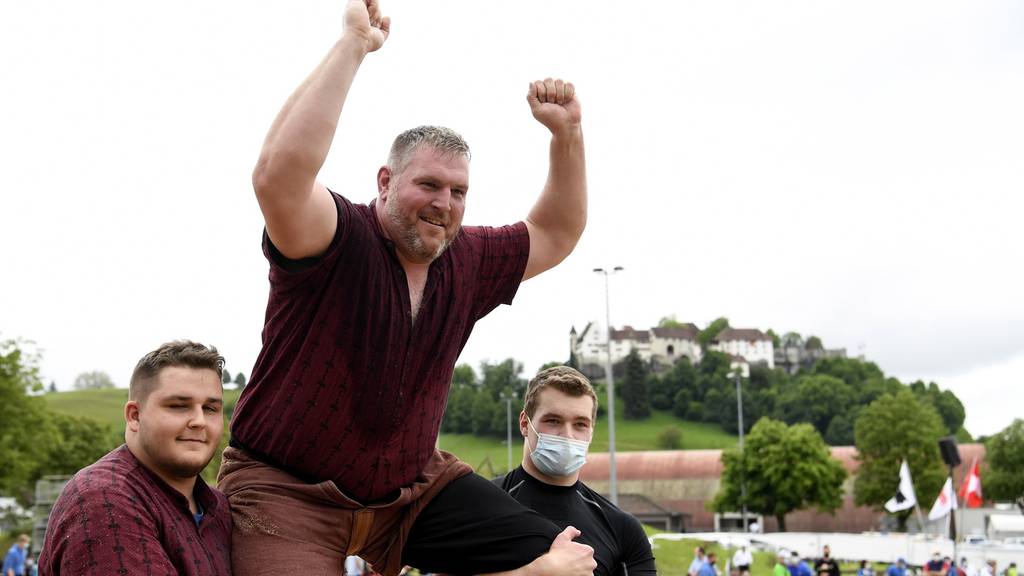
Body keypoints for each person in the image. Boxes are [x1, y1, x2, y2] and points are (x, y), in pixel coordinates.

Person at [218, 0, 591, 573]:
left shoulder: (469, 259)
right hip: (284, 492)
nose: (444, 204)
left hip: (411, 494)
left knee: (561, 559)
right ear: (386, 182)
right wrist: (353, 46)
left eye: (458, 191)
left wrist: (566, 134)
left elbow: (556, 231)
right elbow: (279, 175)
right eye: (429, 184)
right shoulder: (336, 236)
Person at [38, 341, 232, 575]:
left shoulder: (219, 508)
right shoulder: (104, 499)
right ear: (135, 416)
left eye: (210, 409)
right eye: (179, 406)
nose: (199, 420)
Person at [493, 367, 657, 576]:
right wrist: (538, 572)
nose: (567, 435)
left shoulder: (622, 528)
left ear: (591, 431)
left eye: (580, 424)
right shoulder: (480, 505)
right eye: (553, 421)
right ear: (525, 424)